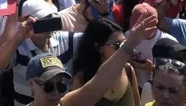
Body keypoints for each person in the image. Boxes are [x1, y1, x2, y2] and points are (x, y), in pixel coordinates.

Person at [24, 11, 157, 106]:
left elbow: (101, 80)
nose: (56, 93)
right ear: (31, 85)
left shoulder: (68, 103)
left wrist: (129, 44)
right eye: (47, 86)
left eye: (61, 86)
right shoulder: (81, 79)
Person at [71, 18, 140, 105]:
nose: (123, 50)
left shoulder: (128, 70)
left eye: (124, 44)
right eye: (117, 45)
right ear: (98, 47)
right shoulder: (81, 79)